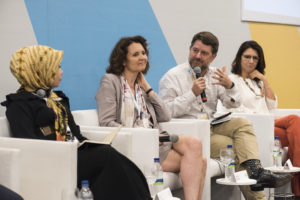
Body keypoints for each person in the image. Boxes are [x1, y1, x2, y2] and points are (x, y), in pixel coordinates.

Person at [1, 45, 152, 200]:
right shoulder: (19, 104)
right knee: (106, 156)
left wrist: (90, 143)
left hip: (75, 152)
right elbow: (29, 144)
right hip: (55, 159)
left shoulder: (57, 99)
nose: (62, 72)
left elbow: (76, 134)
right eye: (57, 67)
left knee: (110, 158)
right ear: (40, 69)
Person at [158, 31, 292, 200]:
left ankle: (257, 172)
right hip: (191, 134)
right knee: (235, 149)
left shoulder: (215, 75)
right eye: (195, 50)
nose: (198, 56)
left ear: (213, 56)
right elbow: (165, 112)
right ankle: (259, 197)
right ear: (190, 48)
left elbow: (233, 103)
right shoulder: (172, 77)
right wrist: (192, 94)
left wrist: (230, 87)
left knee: (243, 124)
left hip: (213, 124)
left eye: (204, 53)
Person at [95, 35, 207, 200]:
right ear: (123, 61)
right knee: (201, 160)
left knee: (196, 148)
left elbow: (165, 115)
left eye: (143, 53)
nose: (142, 57)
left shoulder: (140, 85)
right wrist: (143, 135)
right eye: (135, 54)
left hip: (158, 142)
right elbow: (106, 122)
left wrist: (148, 88)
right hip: (136, 145)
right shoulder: (110, 81)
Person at [227, 40, 300, 198]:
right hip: (253, 127)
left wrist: (264, 81)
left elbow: (272, 104)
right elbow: (234, 107)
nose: (251, 61)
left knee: (295, 129)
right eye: (247, 57)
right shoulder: (232, 80)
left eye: (255, 58)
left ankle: (296, 182)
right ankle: (297, 182)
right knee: (295, 121)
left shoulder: (257, 81)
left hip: (269, 124)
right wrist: (259, 117)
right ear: (239, 58)